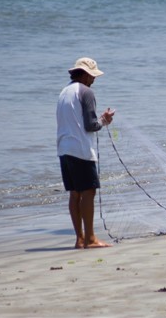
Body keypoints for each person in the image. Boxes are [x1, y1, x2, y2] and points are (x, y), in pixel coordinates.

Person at [56, 57, 115, 249]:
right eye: (92, 76)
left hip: (64, 149)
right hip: (80, 149)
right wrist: (105, 120)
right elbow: (91, 125)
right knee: (88, 192)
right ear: (83, 74)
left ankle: (79, 239)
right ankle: (90, 239)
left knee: (75, 194)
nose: (94, 79)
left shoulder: (64, 91)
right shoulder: (86, 92)